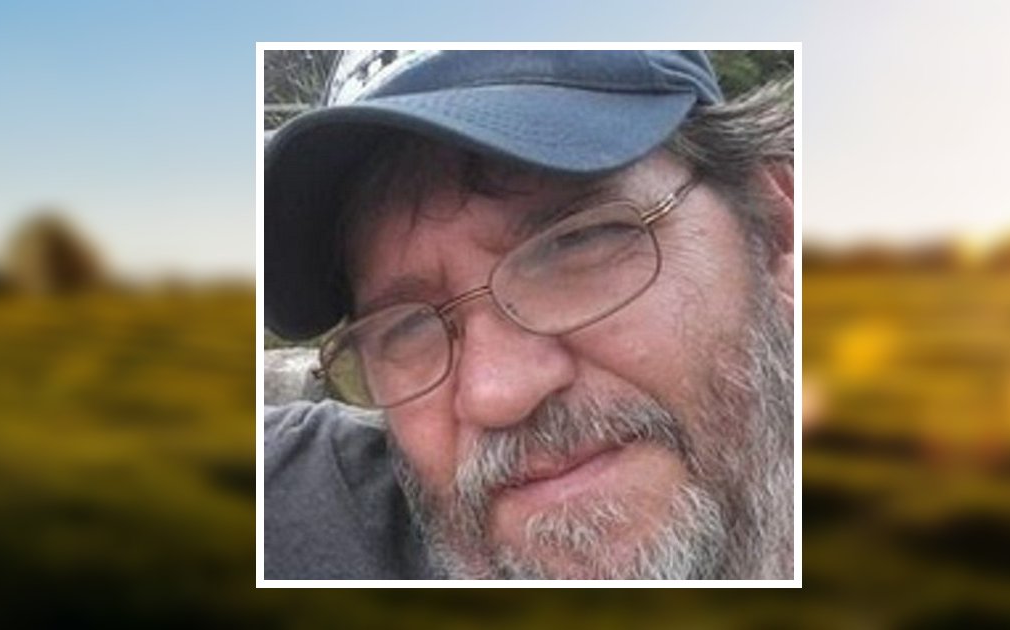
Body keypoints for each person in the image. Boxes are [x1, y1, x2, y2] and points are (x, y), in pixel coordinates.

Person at [264, 50, 794, 580]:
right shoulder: (315, 511)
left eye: (577, 243)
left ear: (774, 231)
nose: (497, 394)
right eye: (407, 327)